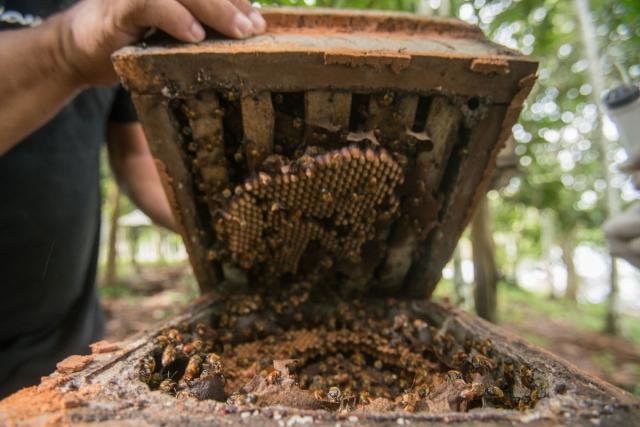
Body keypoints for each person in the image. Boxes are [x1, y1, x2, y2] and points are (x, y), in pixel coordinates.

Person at [0, 0, 266, 397]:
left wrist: (227, 225)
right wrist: (66, 46)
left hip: (62, 344)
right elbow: (76, 45)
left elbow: (136, 156)